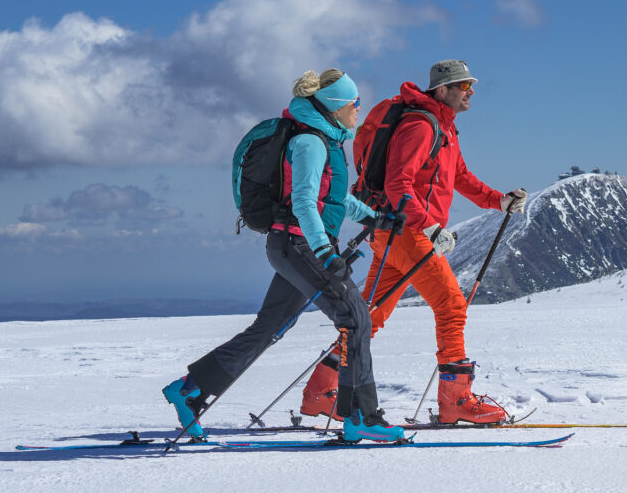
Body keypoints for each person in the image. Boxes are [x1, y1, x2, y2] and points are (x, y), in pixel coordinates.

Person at [163, 69, 404, 443]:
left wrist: (375, 217)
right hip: (301, 246)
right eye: (355, 102)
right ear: (336, 106)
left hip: (293, 246)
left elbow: (333, 198)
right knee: (355, 317)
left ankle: (189, 389)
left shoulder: (323, 140)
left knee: (270, 327)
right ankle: (361, 416)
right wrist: (325, 252)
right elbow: (305, 203)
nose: (359, 108)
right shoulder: (310, 143)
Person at [299, 60, 527, 424]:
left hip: (394, 233)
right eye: (463, 86)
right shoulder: (421, 126)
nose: (471, 91)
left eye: (471, 85)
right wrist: (430, 227)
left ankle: (320, 391)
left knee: (369, 316)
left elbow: (459, 175)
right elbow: (397, 184)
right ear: (442, 90)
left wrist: (498, 200)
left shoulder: (443, 128)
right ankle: (456, 400)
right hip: (408, 233)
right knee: (451, 305)